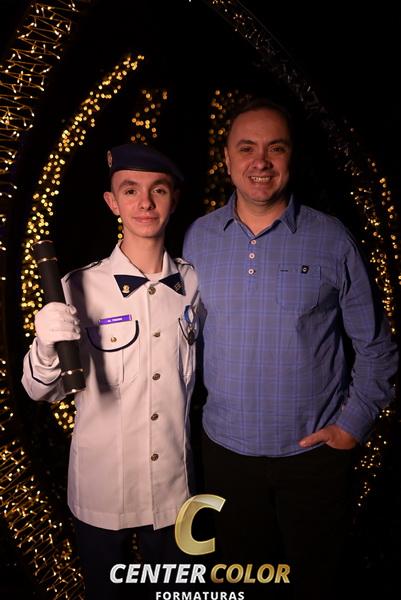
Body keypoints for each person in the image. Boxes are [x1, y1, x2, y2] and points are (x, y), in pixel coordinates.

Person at [183, 98, 398, 599]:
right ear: (227, 159)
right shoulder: (198, 238)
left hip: (313, 461)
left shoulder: (332, 239)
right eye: (247, 148)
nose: (261, 161)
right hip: (226, 456)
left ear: (291, 157)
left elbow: (377, 347)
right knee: (241, 584)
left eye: (275, 148)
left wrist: (352, 426)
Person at [22, 143, 200, 600]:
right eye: (130, 190)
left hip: (174, 491)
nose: (145, 203)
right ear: (112, 202)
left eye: (158, 190)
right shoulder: (78, 286)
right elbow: (40, 391)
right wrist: (45, 345)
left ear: (174, 199)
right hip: (103, 492)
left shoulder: (194, 284)